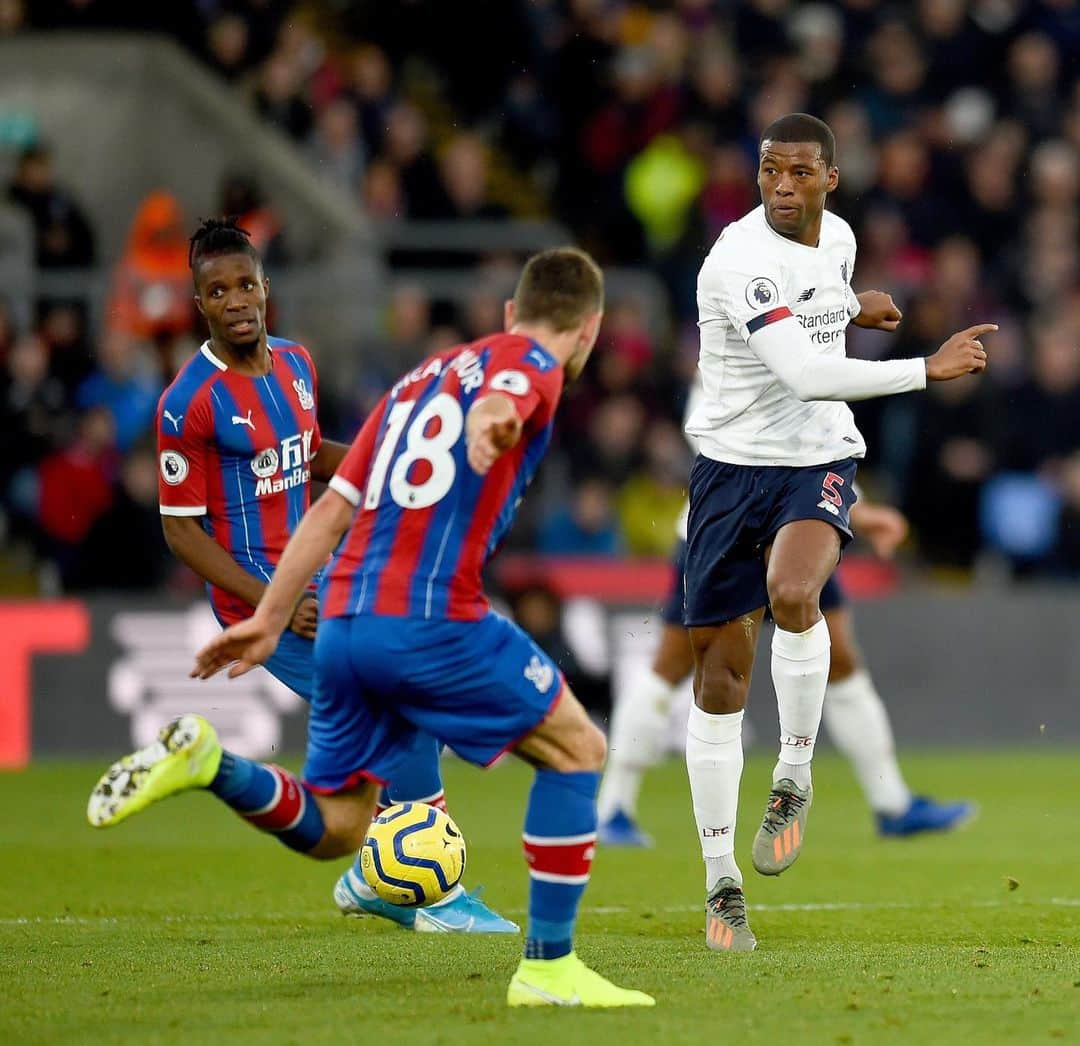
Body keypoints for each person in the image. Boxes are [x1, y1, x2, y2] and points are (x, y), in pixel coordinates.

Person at [191, 247, 655, 1008]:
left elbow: (333, 505)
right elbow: (506, 394)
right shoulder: (531, 358)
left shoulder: (414, 381)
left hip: (341, 618)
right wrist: (492, 425)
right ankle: (547, 968)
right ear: (592, 329)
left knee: (344, 826)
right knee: (579, 749)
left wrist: (269, 617)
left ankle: (214, 768)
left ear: (508, 308)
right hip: (430, 613)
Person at [86, 218, 514, 936]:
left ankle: (371, 872)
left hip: (327, 581)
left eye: (245, 284)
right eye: (217, 291)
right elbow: (180, 530)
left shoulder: (294, 363)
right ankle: (431, 893)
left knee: (394, 737)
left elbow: (313, 456)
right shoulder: (187, 402)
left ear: (266, 286)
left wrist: (410, 464)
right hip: (262, 601)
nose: (236, 300)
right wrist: (274, 606)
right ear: (199, 304)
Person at [680, 113, 994, 952]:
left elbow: (817, 318)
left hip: (817, 455)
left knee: (794, 593)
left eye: (797, 173)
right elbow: (806, 369)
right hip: (728, 471)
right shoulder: (736, 258)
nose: (781, 186)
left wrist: (853, 302)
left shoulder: (841, 240)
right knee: (719, 679)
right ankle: (721, 882)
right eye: (768, 171)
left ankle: (792, 771)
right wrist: (927, 365)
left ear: (831, 179)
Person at [597, 495, 976, 847]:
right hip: (725, 527)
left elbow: (825, 443)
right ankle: (613, 808)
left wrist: (852, 508)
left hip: (800, 530)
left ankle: (892, 803)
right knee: (673, 665)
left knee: (840, 660)